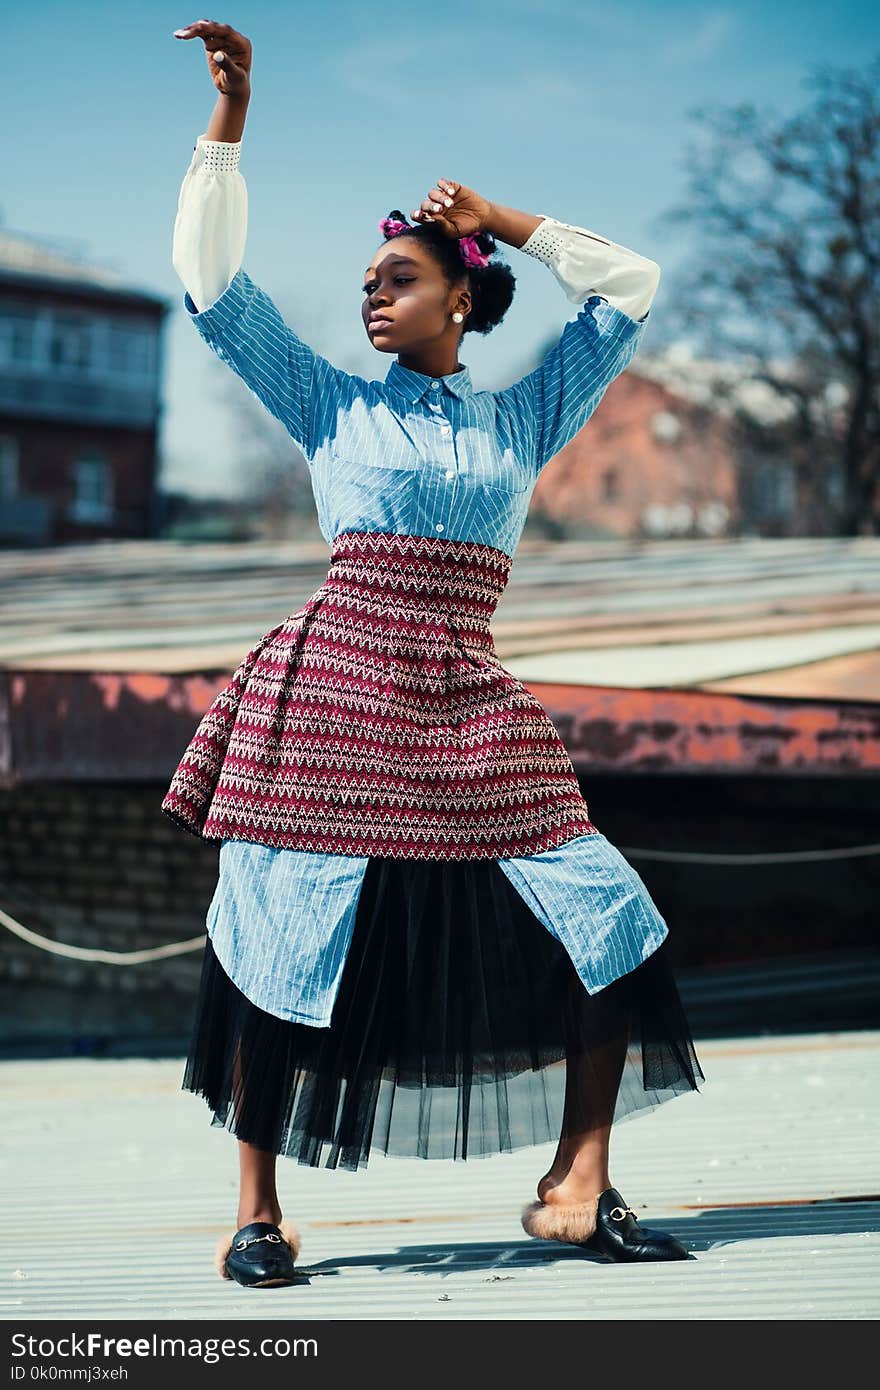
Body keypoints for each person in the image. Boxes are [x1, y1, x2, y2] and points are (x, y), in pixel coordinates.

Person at [165, 18, 704, 1290]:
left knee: (609, 916)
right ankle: (257, 1211)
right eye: (369, 280)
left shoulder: (527, 410)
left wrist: (500, 217)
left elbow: (631, 285)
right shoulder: (325, 402)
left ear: (459, 298)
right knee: (275, 943)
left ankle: (578, 1185)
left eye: (398, 277)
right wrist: (230, 124)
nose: (371, 292)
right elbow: (207, 279)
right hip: (331, 693)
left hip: (467, 696)